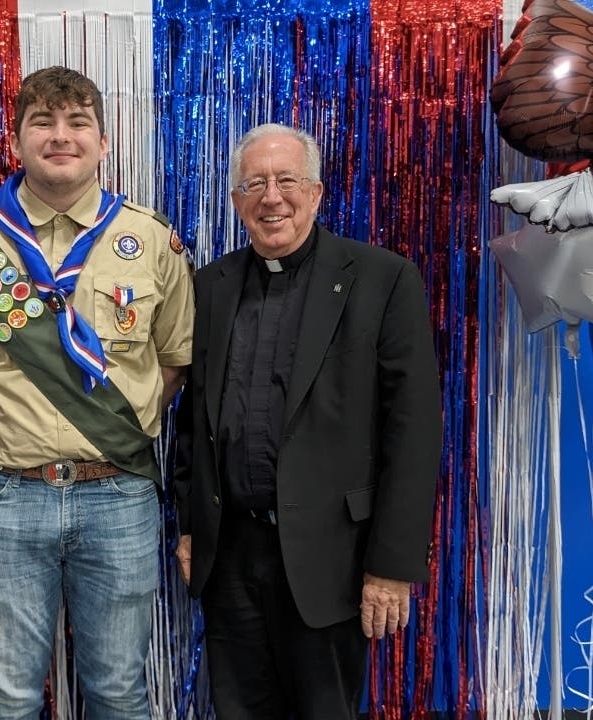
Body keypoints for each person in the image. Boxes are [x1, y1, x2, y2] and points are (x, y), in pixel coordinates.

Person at [0, 65, 194, 718]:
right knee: (10, 697)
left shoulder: (151, 240)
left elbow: (173, 361)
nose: (60, 135)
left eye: (78, 121)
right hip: (3, 496)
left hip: (119, 494)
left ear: (104, 143)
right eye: (42, 121)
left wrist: (107, 429)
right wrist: (15, 433)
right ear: (16, 141)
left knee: (118, 692)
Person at [174, 123, 442, 719]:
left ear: (316, 192)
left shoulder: (382, 279)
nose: (272, 197)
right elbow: (194, 419)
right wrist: (191, 523)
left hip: (334, 562)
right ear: (237, 200)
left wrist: (392, 568)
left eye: (287, 180)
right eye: (254, 184)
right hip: (231, 560)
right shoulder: (210, 285)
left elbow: (415, 429)